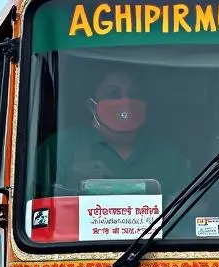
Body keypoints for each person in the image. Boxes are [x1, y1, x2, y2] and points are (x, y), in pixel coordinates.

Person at [34, 67, 192, 202]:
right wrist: (73, 184)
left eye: (133, 94)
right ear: (91, 106)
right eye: (113, 94)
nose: (126, 102)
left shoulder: (168, 154)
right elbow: (38, 206)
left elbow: (189, 212)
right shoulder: (61, 146)